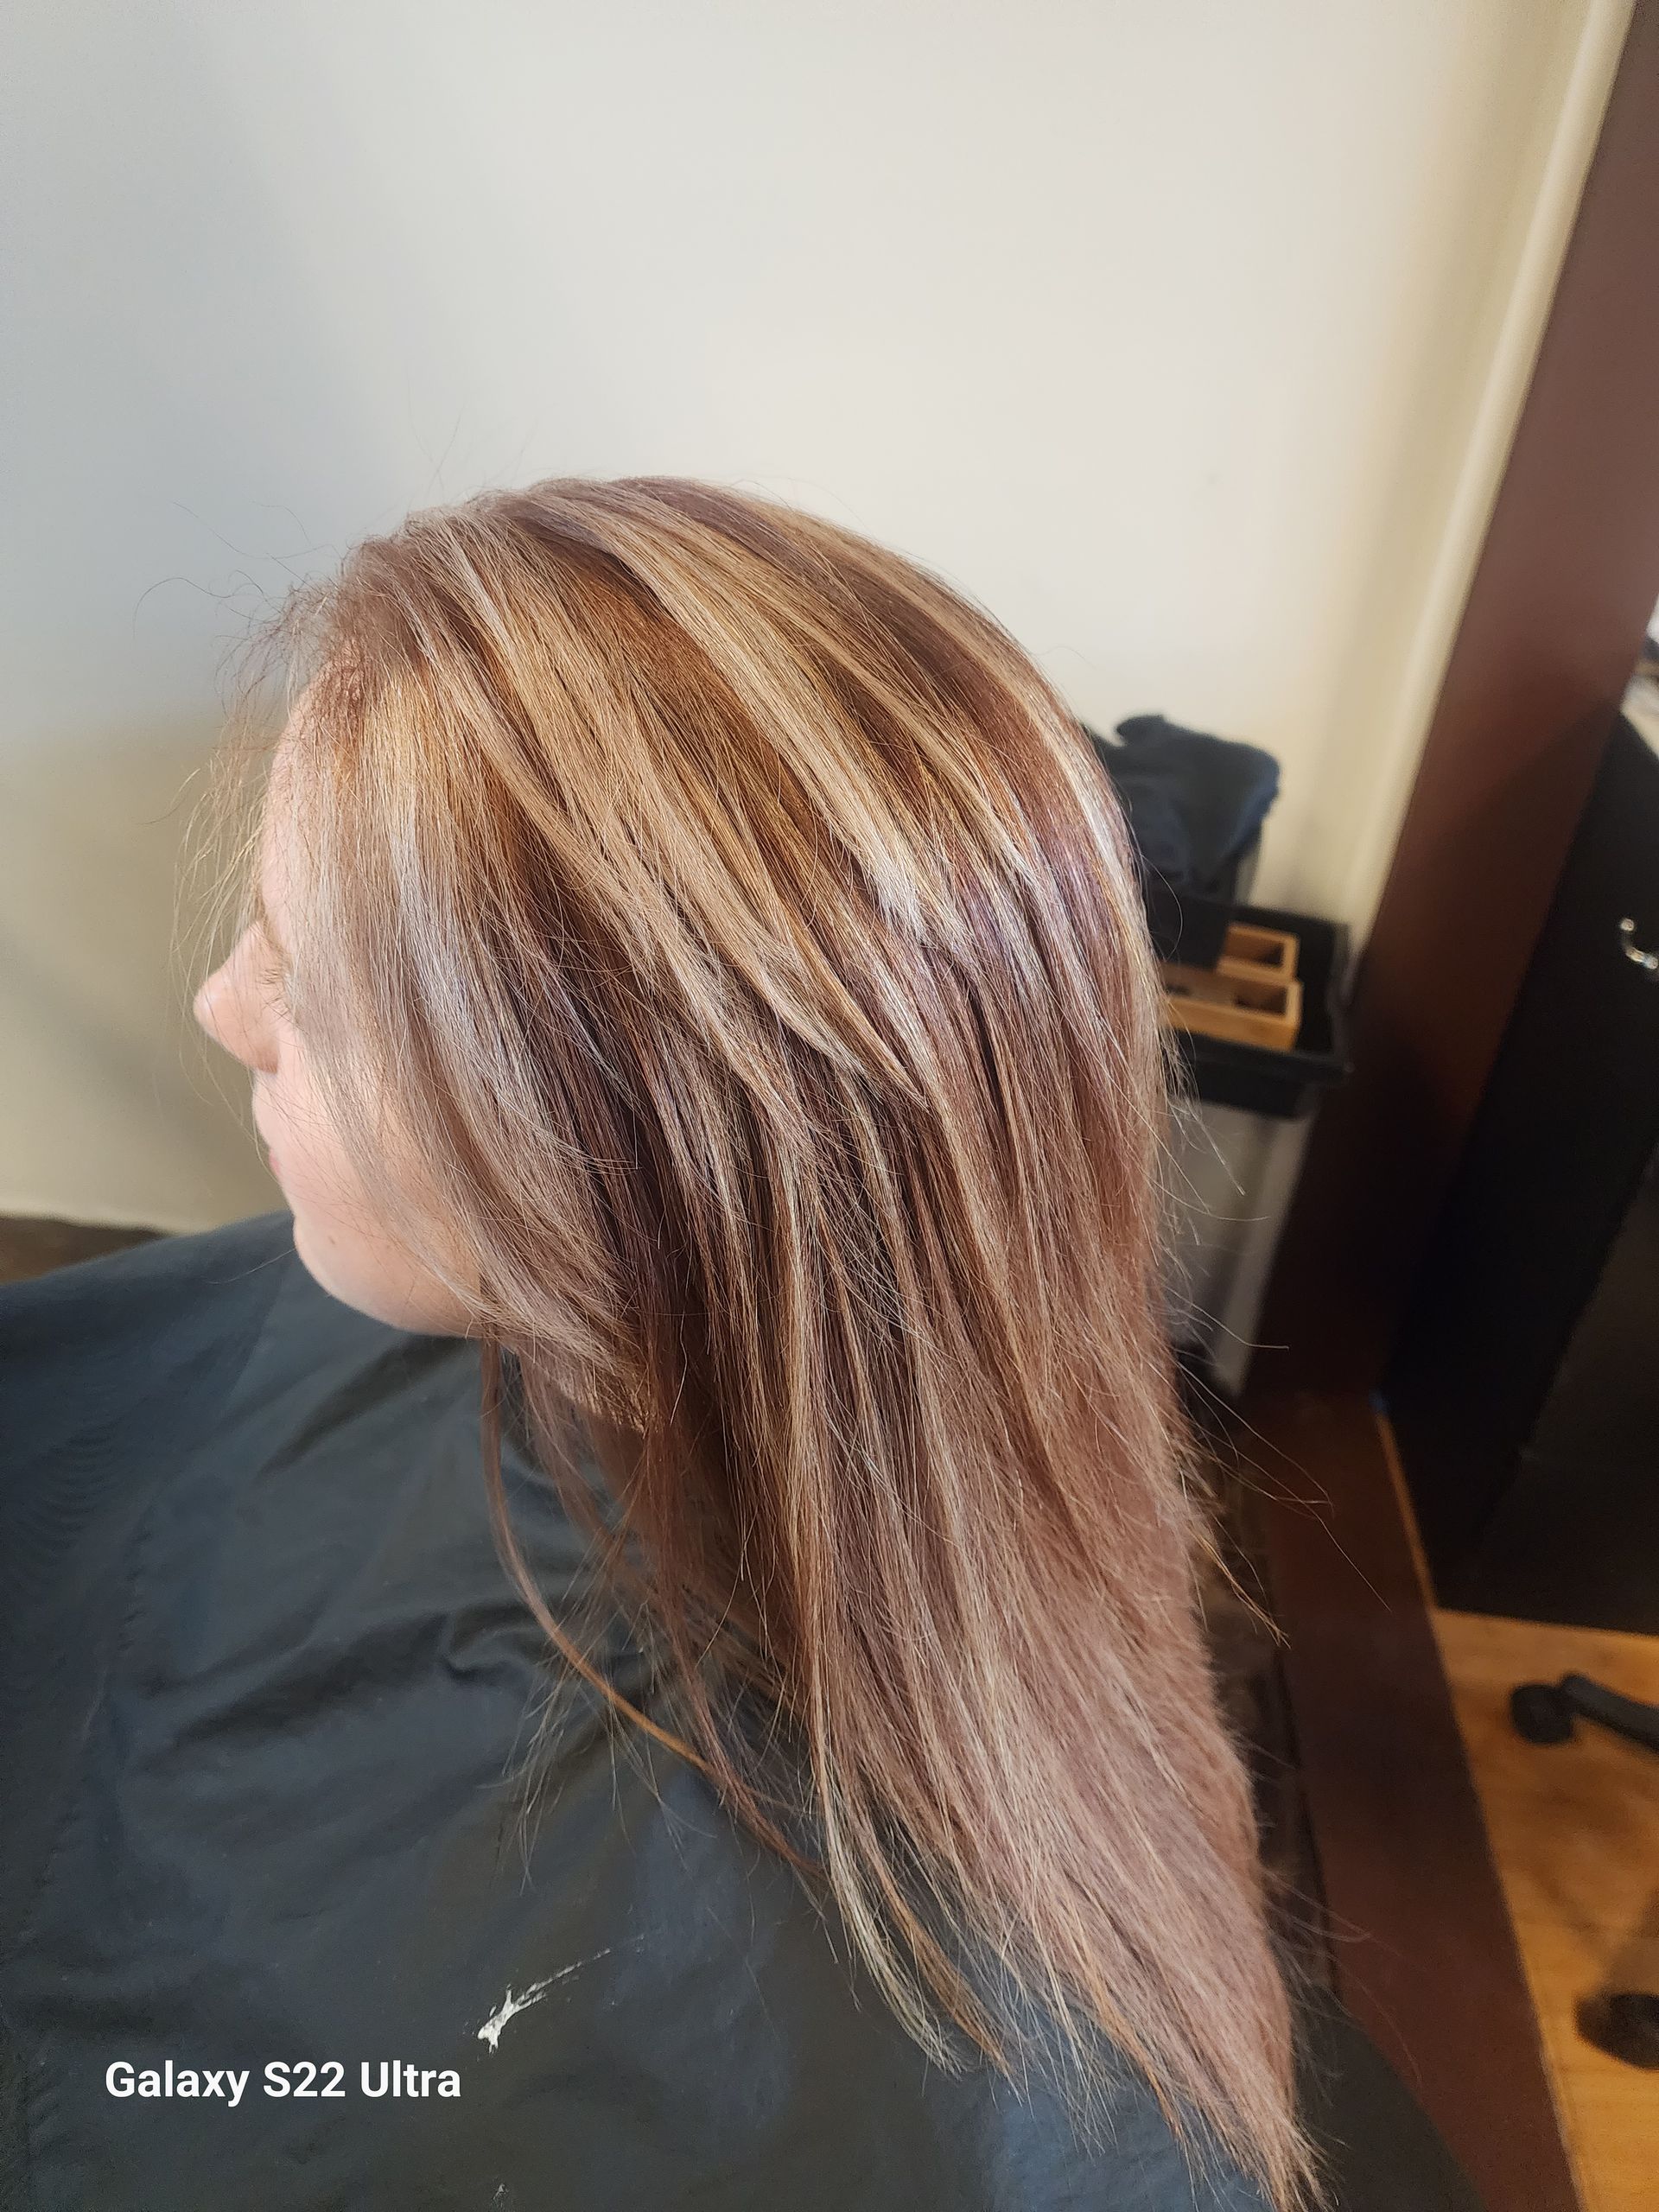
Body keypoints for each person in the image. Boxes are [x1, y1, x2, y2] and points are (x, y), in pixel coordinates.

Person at [2, 476, 1337, 2211]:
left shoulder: (945, 2090)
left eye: (307, 991)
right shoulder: (979, 1464)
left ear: (604, 1169)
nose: (223, 1007)